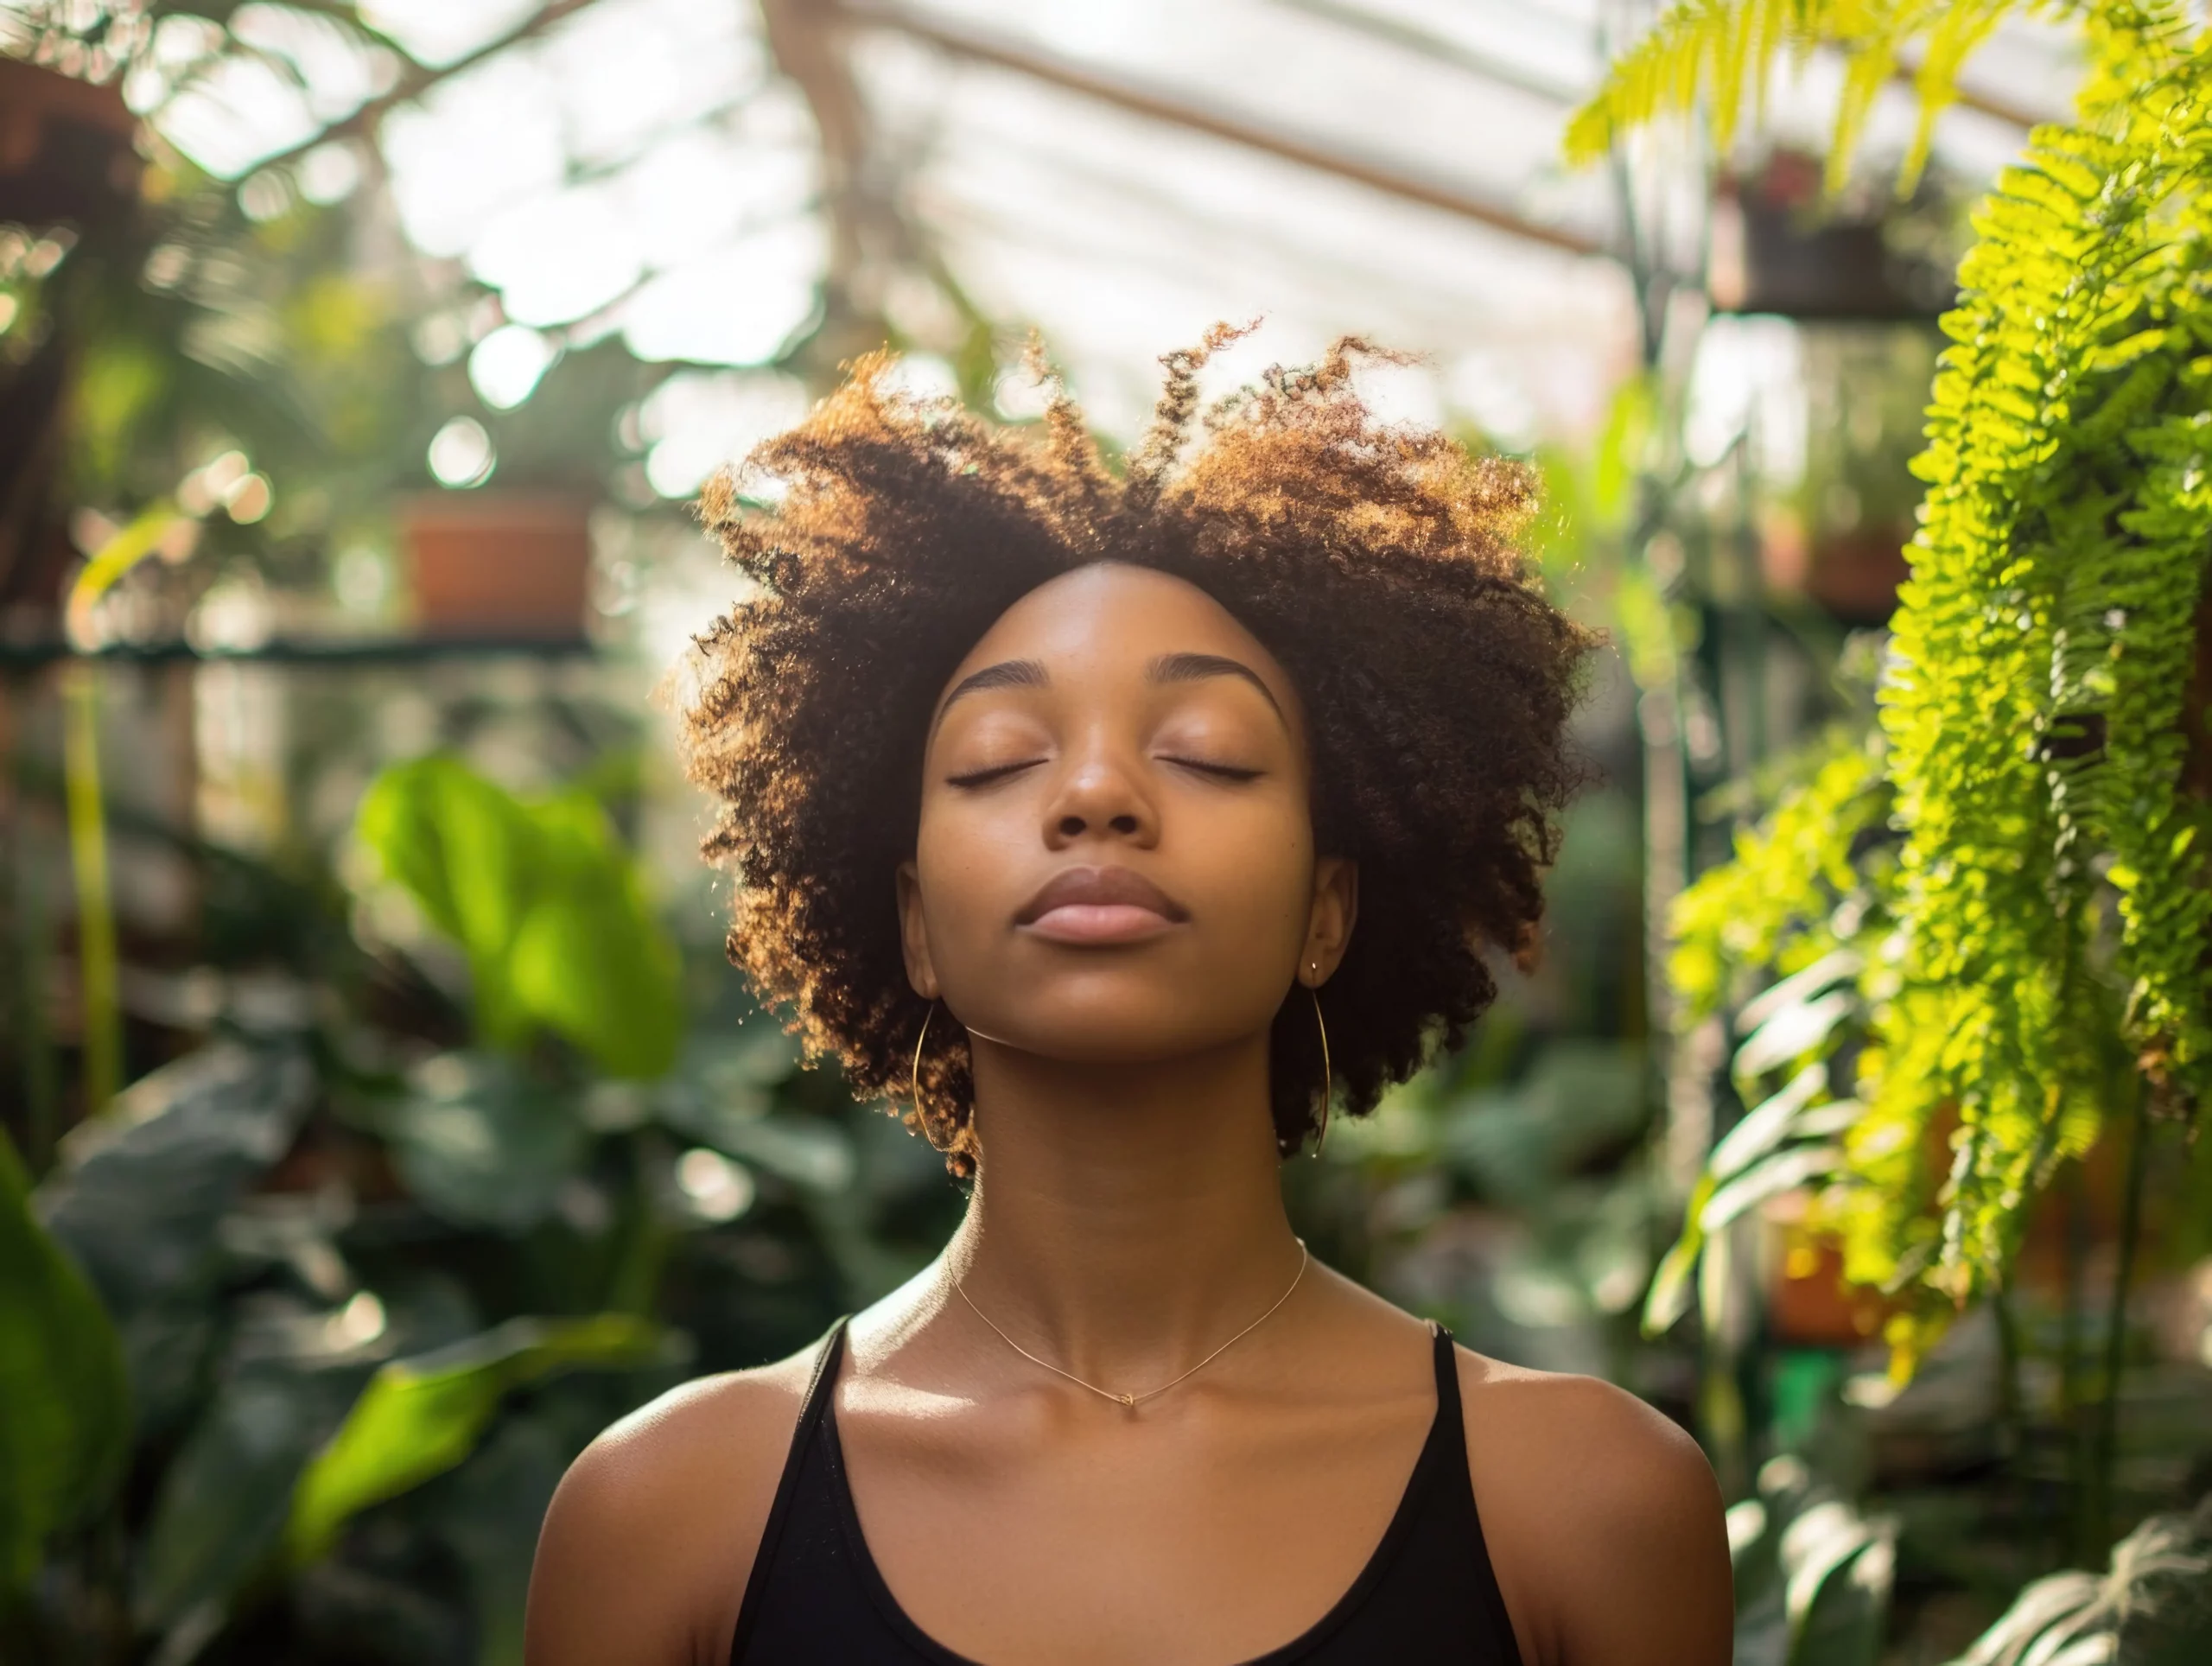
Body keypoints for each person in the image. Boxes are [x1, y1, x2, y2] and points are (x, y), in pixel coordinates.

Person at [524, 328, 1733, 1665]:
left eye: (1205, 754)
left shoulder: (1583, 1509)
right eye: (998, 760)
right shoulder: (671, 1520)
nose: (1096, 796)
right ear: (916, 923)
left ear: (1328, 911)